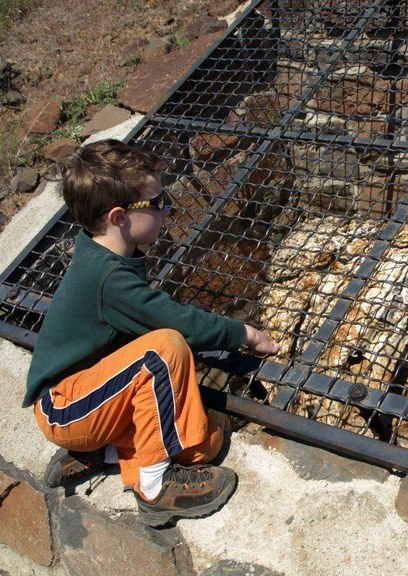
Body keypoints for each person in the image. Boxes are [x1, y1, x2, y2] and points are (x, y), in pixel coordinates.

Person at [24, 138, 279, 527]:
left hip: (93, 396)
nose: (167, 209)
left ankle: (103, 454)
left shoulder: (101, 253)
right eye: (157, 203)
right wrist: (244, 333)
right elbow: (173, 327)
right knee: (166, 346)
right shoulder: (106, 276)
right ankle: (156, 488)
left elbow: (147, 312)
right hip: (68, 407)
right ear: (118, 218)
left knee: (205, 444)